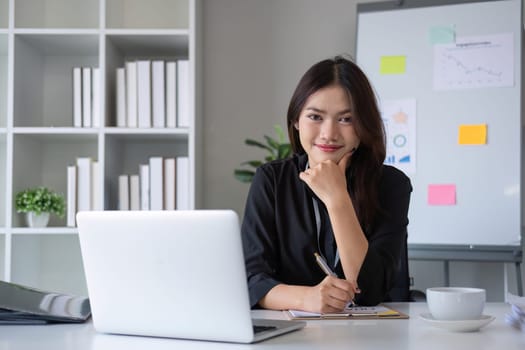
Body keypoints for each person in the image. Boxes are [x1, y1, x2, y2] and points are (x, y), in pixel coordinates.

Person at [241, 55, 412, 313]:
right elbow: (252, 279)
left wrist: (337, 198)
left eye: (346, 119)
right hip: (290, 335)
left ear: (364, 126)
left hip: (370, 336)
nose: (329, 133)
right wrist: (306, 299)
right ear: (296, 121)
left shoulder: (391, 185)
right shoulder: (272, 181)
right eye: (315, 117)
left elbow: (371, 290)